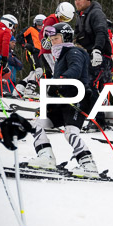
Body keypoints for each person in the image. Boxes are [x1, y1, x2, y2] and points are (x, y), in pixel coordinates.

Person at [23, 22, 101, 178]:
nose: (53, 42)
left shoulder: (74, 52)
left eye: (56, 38)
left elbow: (75, 70)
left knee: (71, 132)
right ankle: (46, 157)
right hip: (62, 100)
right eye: (51, 39)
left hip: (78, 98)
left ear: (66, 37)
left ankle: (88, 165)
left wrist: (58, 80)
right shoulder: (60, 56)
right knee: (37, 124)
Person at [38, 2, 75, 78]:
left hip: (55, 51)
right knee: (55, 71)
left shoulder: (59, 23)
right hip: (47, 52)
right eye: (62, 17)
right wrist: (44, 40)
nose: (63, 20)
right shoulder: (51, 19)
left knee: (56, 70)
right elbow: (43, 32)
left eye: (66, 19)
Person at [0, 15, 18, 82]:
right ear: (9, 23)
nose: (14, 29)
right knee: (7, 71)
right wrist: (4, 58)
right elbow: (5, 44)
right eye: (14, 27)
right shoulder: (7, 31)